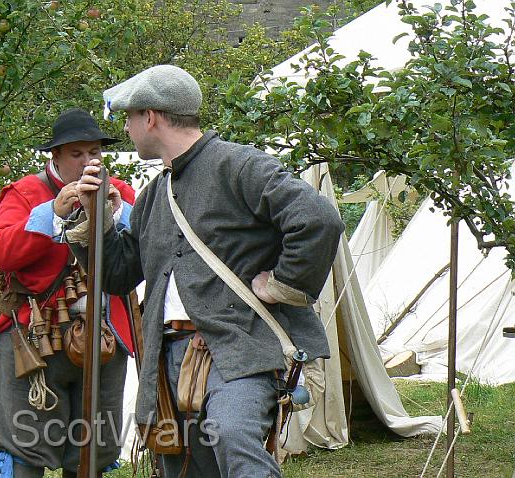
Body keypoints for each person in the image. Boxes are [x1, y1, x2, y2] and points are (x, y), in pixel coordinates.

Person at [67, 65, 345, 477]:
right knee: (182, 465)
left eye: (129, 117)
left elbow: (317, 219)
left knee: (234, 440)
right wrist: (96, 222)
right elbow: (121, 274)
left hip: (239, 347)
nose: (126, 128)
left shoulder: (239, 166)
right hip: (168, 355)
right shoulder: (154, 195)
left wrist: (283, 286)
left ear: (151, 117)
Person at [0, 108, 136, 478]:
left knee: (93, 451)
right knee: (24, 450)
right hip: (35, 339)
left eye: (94, 152)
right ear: (55, 155)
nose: (88, 161)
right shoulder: (25, 192)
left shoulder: (119, 191)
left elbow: (148, 244)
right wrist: (52, 211)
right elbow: (3, 251)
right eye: (77, 154)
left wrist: (120, 213)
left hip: (103, 340)